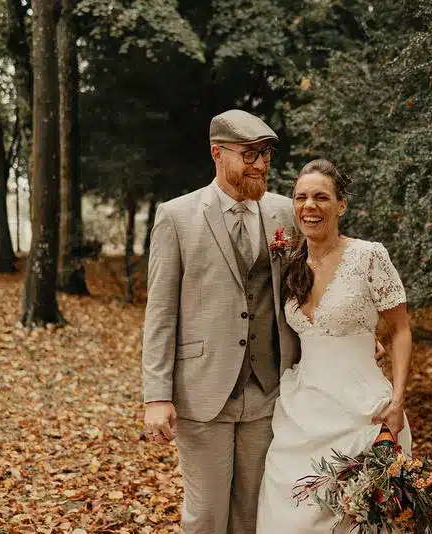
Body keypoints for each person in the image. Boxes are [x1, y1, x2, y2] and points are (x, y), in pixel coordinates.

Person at [141, 110, 385, 534]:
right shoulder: (176, 217)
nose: (260, 165)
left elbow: (321, 273)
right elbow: (160, 313)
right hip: (203, 390)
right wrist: (156, 395)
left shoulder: (284, 213)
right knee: (206, 515)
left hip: (269, 390)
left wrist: (357, 331)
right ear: (218, 153)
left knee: (254, 511)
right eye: (249, 154)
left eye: (266, 155)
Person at [256, 159, 413, 533]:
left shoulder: (369, 257)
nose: (310, 206)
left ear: (341, 205)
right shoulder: (289, 259)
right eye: (301, 197)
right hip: (301, 406)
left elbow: (401, 329)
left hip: (361, 408)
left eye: (321, 197)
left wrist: (398, 400)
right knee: (291, 515)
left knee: (356, 518)